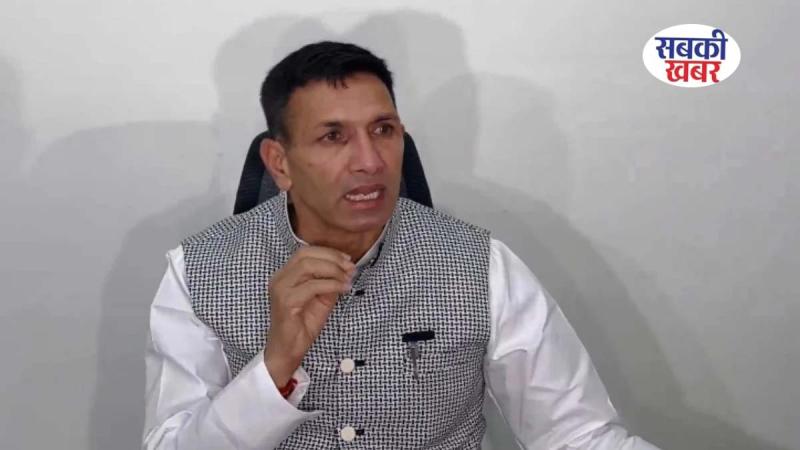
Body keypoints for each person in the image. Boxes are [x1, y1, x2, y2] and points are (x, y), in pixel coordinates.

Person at [142, 41, 658, 449]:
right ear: (279, 163)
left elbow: (575, 435)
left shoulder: (478, 265)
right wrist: (275, 365)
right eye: (333, 137)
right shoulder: (199, 270)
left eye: (383, 130)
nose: (371, 161)